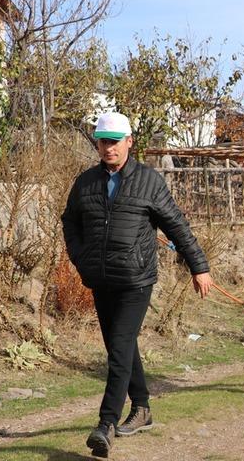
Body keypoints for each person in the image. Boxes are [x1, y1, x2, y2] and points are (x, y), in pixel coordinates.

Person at [62, 112, 213, 458]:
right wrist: (79, 256)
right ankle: (142, 407)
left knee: (118, 348)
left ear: (130, 141)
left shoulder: (149, 182)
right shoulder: (85, 182)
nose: (109, 148)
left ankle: (105, 425)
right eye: (103, 141)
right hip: (100, 279)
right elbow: (70, 220)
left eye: (115, 141)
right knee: (123, 347)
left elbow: (177, 226)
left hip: (135, 280)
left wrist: (199, 267)